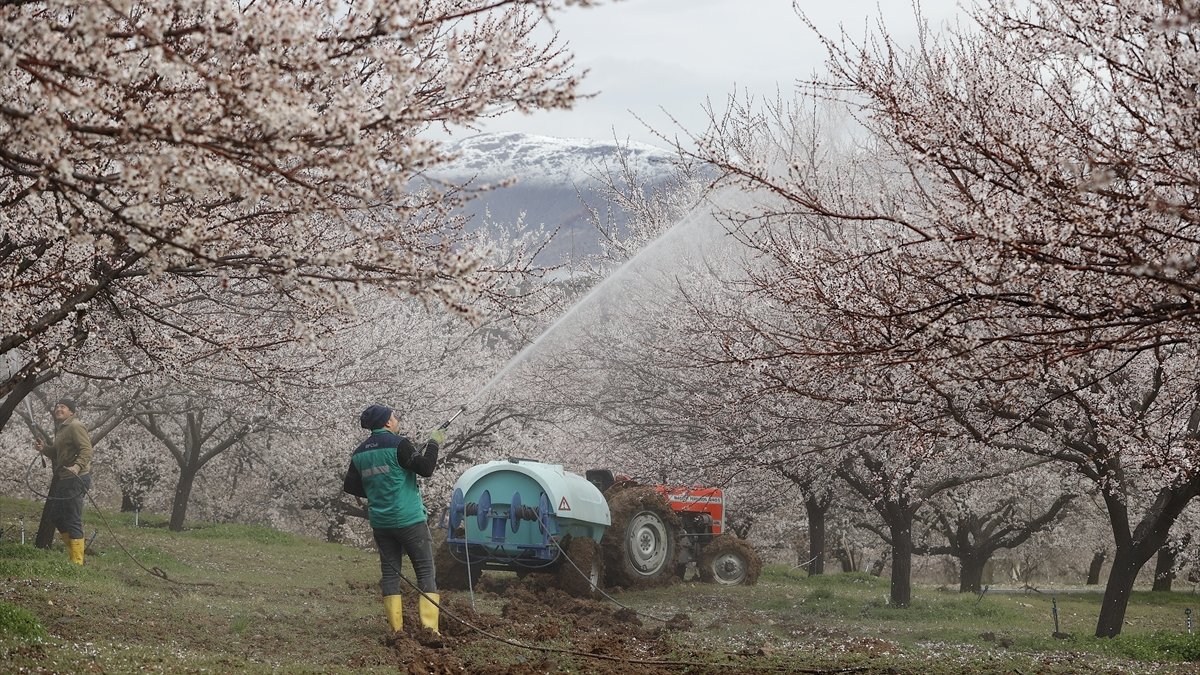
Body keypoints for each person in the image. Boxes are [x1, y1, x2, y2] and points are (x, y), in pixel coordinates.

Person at [343, 404, 446, 638]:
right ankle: (430, 630)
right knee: (425, 572)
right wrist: (434, 442)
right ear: (388, 423)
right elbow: (427, 468)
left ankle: (396, 630)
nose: (397, 420)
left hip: (381, 523)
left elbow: (350, 485)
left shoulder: (359, 452)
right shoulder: (399, 444)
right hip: (409, 520)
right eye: (394, 417)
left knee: (390, 575)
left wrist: (378, 491)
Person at [34, 398, 93, 565]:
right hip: (64, 478)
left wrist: (77, 466)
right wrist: (44, 449)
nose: (58, 409)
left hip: (76, 478)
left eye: (63, 407)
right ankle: (75, 554)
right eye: (57, 406)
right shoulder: (61, 429)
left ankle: (77, 562)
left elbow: (87, 449)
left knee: (72, 518)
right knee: (57, 516)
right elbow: (57, 454)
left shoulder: (75, 426)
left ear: (71, 412)